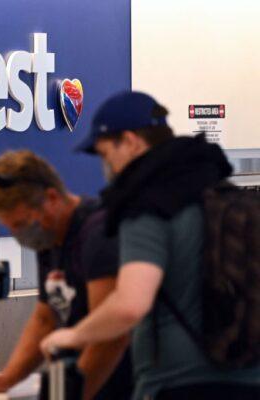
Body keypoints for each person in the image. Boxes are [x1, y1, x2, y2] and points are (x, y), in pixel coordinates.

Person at [41, 91, 260, 399]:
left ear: (130, 142)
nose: (107, 167)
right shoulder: (220, 192)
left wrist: (74, 336)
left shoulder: (148, 206)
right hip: (248, 380)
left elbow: (131, 304)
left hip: (179, 385)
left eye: (106, 154)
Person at [0, 150, 132, 400]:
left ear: (51, 198)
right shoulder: (48, 238)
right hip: (83, 379)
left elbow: (111, 337)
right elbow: (46, 318)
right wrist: (8, 378)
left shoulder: (97, 234)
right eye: (11, 227)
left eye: (21, 224)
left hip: (121, 384)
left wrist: (73, 394)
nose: (20, 234)